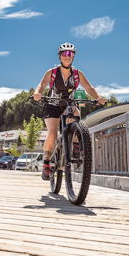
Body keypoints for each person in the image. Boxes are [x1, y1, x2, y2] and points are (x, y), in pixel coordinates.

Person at [32, 42, 106, 180]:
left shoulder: (77, 74)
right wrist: (37, 93)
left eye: (70, 54)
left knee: (76, 115)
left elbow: (89, 88)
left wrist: (98, 97)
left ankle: (76, 145)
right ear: (60, 56)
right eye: (64, 54)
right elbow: (41, 85)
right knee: (52, 135)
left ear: (73, 57)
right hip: (52, 105)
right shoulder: (52, 72)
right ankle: (47, 164)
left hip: (69, 104)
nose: (67, 56)